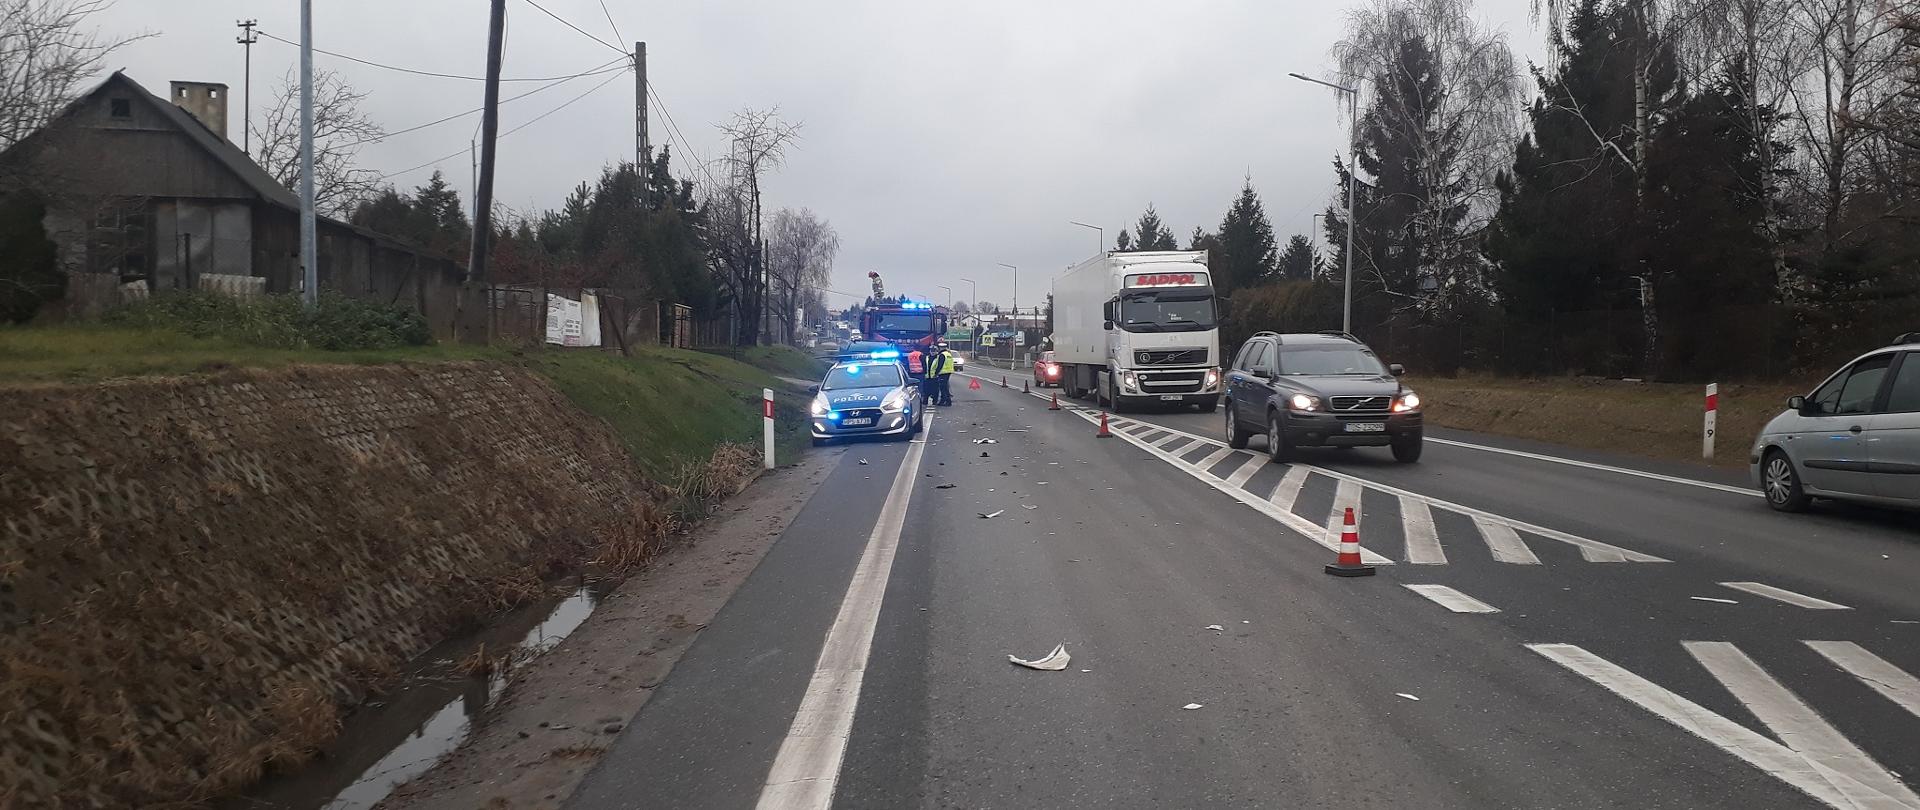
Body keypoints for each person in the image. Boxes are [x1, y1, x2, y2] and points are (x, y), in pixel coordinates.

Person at [928, 341, 956, 406]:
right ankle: (943, 401)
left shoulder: (942, 355)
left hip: (943, 373)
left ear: (940, 348)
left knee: (943, 388)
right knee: (945, 387)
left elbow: (940, 365)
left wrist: (936, 373)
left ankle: (947, 401)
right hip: (948, 372)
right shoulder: (948, 354)